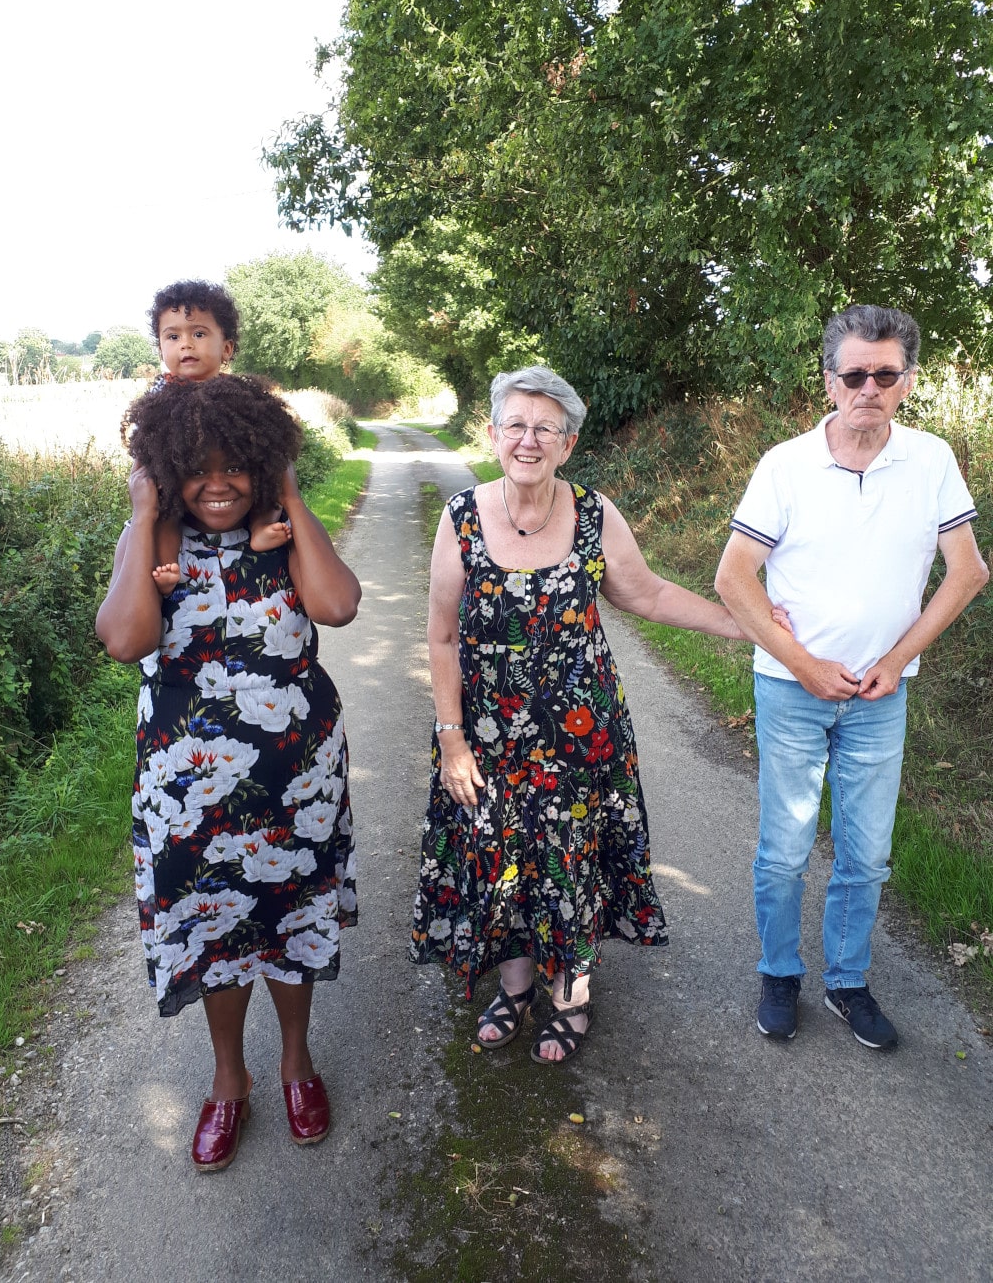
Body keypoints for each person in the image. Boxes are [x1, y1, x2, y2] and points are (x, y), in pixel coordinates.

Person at [410, 365, 749, 1063]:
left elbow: (647, 594)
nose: (529, 439)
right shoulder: (462, 517)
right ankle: (513, 987)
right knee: (502, 856)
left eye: (546, 428)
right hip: (487, 737)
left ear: (567, 444)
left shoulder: (595, 513)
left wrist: (740, 623)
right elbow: (442, 634)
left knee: (574, 861)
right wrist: (451, 740)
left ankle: (572, 994)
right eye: (516, 424)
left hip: (582, 737)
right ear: (493, 433)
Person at [96, 374, 361, 1170]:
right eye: (195, 468)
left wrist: (287, 490)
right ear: (166, 469)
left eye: (236, 464)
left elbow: (339, 605)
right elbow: (125, 640)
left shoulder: (281, 530)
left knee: (290, 918)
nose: (216, 484)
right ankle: (227, 1078)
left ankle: (295, 1061)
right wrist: (145, 514)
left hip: (297, 778)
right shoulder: (156, 541)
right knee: (215, 927)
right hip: (188, 788)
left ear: (261, 459)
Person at [715, 304, 988, 1051]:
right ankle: (779, 973)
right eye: (855, 373)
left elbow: (967, 572)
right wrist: (804, 665)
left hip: (881, 696)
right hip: (790, 689)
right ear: (830, 381)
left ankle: (847, 982)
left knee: (867, 853)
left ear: (906, 381)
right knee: (785, 847)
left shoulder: (930, 460)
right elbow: (733, 577)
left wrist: (896, 662)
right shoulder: (785, 464)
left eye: (886, 373)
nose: (870, 386)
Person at [145, 280, 286, 595]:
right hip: (179, 481)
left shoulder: (240, 395)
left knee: (270, 476)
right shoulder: (160, 392)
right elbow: (144, 436)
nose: (186, 344)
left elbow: (271, 437)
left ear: (226, 348)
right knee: (164, 512)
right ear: (160, 348)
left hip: (235, 484)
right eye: (173, 336)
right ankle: (168, 567)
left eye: (198, 333)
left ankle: (261, 525)